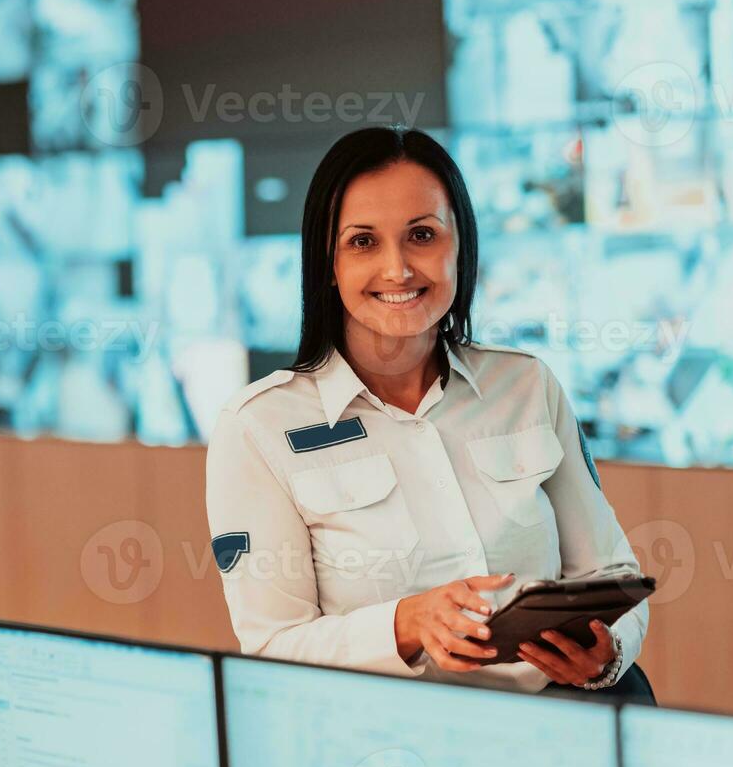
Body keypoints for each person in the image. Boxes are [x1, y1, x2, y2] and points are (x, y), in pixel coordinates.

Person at [205, 126, 651, 699]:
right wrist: (406, 623)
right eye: (363, 242)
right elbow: (271, 648)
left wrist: (605, 655)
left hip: (553, 731)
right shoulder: (258, 427)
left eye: (422, 235)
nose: (398, 269)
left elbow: (611, 574)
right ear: (327, 261)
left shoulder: (526, 384)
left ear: (460, 245)